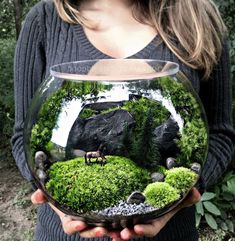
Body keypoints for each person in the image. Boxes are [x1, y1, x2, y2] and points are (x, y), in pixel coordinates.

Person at [12, 0, 234, 240]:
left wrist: (182, 192)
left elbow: (220, 134)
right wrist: (51, 192)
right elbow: (24, 133)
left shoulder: (198, 17)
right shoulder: (44, 20)